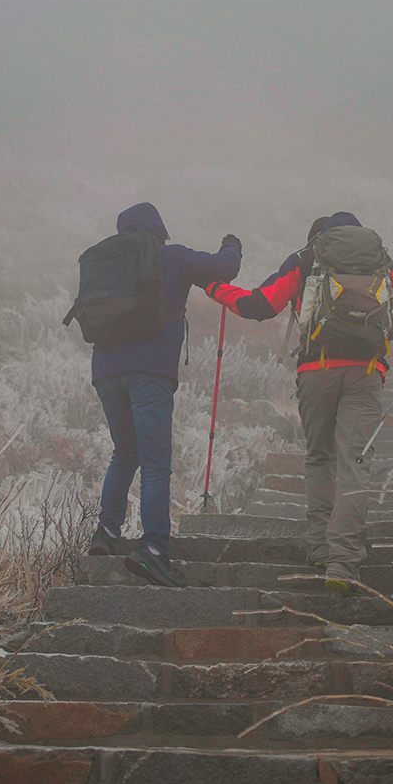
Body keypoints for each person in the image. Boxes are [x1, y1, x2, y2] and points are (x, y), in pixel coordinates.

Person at [203, 211, 393, 596]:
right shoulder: (381, 265)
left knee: (320, 457)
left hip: (316, 370)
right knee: (354, 464)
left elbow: (260, 305)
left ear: (319, 238)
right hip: (367, 372)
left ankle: (320, 548)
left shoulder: (307, 258)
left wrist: (215, 288)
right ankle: (343, 563)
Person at [84, 202, 241, 588]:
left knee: (125, 452)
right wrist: (232, 244)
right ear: (159, 228)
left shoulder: (109, 260)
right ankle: (154, 550)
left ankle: (106, 534)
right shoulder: (171, 256)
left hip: (105, 371)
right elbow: (224, 268)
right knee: (155, 463)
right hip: (149, 372)